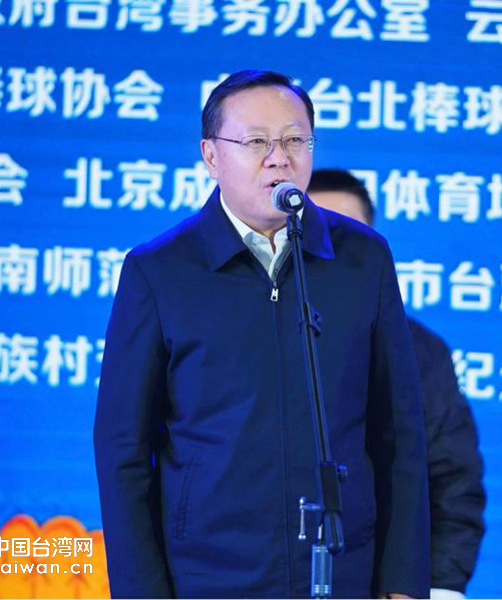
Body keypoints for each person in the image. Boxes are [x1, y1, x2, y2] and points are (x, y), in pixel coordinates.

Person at [93, 70, 430, 599]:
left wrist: (403, 581)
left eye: (295, 140)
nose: (279, 158)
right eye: (256, 142)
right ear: (210, 155)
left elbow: (399, 430)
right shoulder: (159, 272)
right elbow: (123, 448)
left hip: (344, 570)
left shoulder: (363, 259)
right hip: (208, 576)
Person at [308, 169, 486, 599]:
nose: (330, 250)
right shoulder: (241, 333)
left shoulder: (417, 350)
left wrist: (437, 587)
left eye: (347, 236)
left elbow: (452, 481)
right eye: (315, 235)